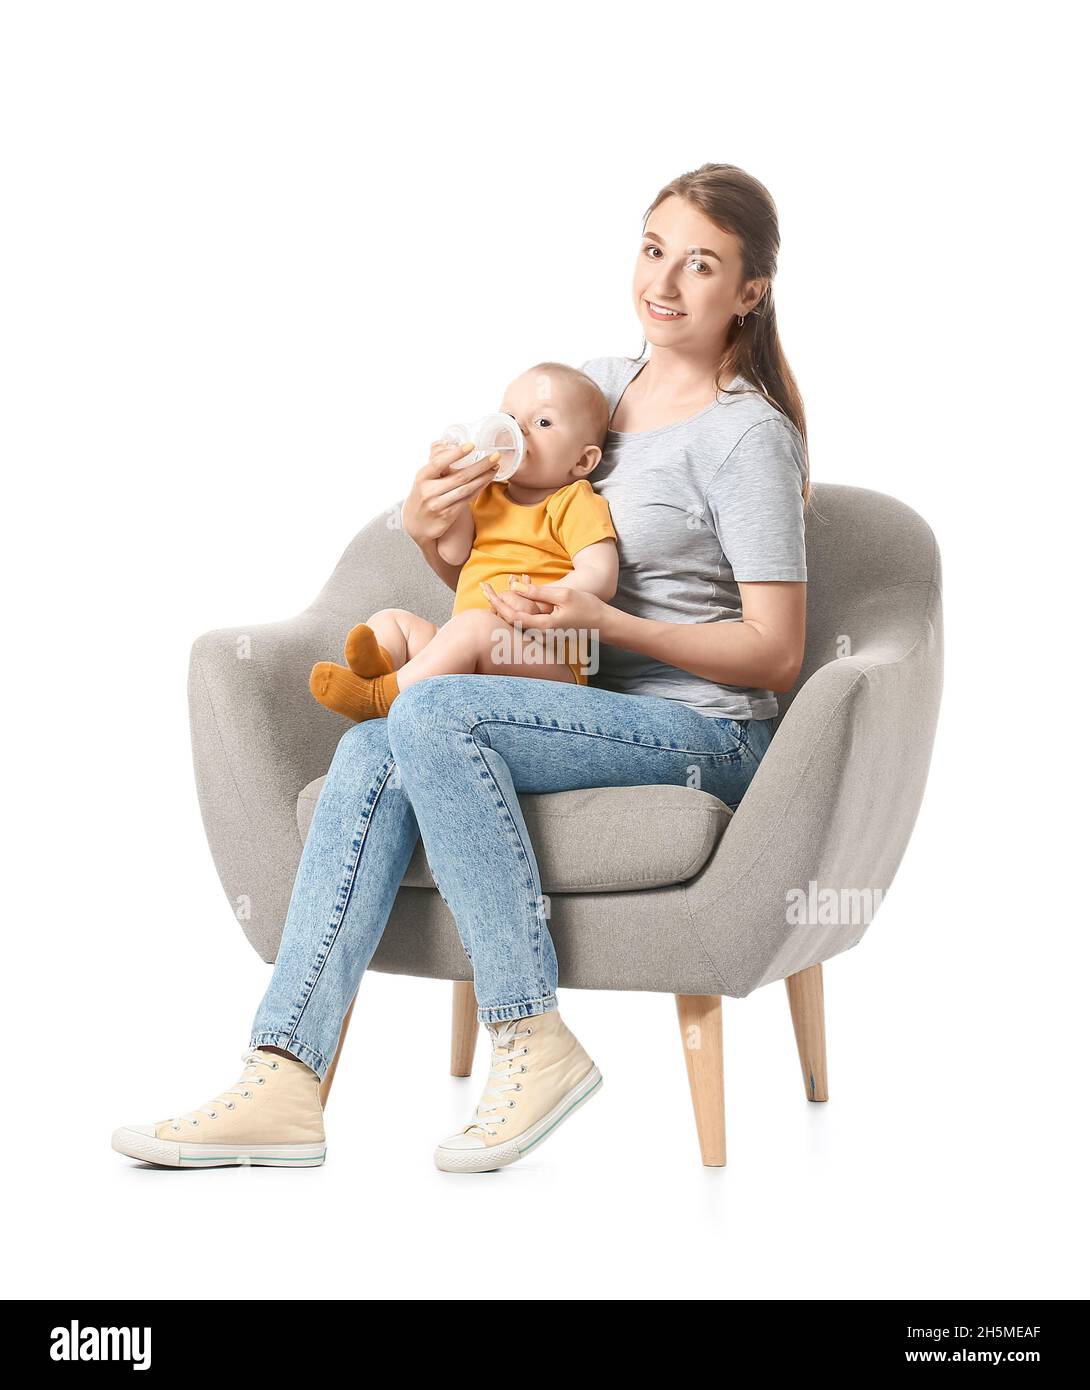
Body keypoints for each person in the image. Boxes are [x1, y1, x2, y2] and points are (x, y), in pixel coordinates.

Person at [111, 160, 811, 1174]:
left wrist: (610, 619)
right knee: (370, 745)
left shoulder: (749, 437)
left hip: (708, 729)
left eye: (700, 265)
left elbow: (778, 654)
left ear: (748, 291)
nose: (664, 281)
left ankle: (531, 1035)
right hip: (571, 679)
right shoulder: (595, 391)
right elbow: (502, 565)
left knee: (430, 713)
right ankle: (284, 1077)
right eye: (652, 249)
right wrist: (430, 528)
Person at [307, 361, 619, 723]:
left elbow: (601, 574)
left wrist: (544, 599)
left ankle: (380, 698)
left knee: (472, 628)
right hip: (478, 654)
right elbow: (454, 552)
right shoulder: (487, 494)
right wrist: (456, 488)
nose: (516, 431)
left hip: (547, 665)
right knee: (392, 620)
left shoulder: (573, 501)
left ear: (582, 460)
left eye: (542, 423)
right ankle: (381, 668)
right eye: (509, 417)